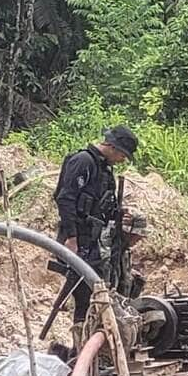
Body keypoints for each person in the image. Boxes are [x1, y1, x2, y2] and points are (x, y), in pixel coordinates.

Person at [53, 125, 138, 350]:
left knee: (103, 292)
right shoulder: (83, 161)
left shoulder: (105, 170)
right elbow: (65, 199)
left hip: (97, 244)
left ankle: (96, 348)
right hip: (80, 242)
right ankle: (80, 350)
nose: (121, 159)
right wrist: (71, 239)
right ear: (111, 146)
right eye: (121, 154)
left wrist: (120, 213)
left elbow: (103, 206)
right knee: (83, 296)